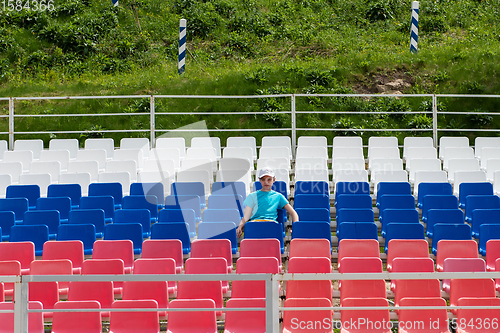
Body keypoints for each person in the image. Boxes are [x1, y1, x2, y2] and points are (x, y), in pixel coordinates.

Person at [236, 167, 299, 238]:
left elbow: (293, 213)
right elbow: (246, 216)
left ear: (274, 180)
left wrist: (296, 228)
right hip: (255, 224)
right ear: (259, 180)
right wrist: (240, 227)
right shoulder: (252, 196)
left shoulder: (278, 196)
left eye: (269, 179)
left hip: (271, 225)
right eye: (263, 179)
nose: (266, 182)